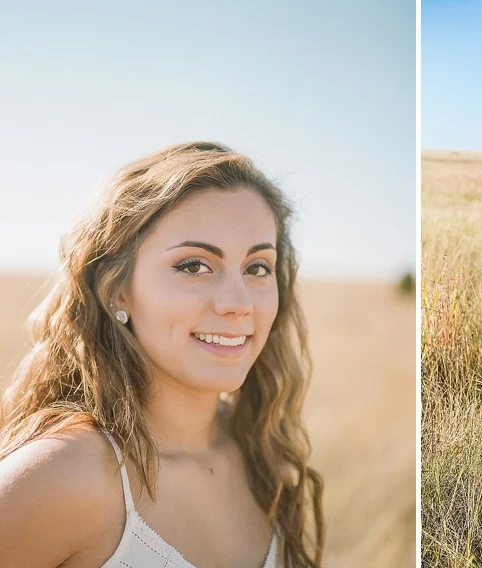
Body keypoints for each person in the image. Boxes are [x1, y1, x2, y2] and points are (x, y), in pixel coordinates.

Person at [0, 142, 324, 567]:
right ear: (117, 288)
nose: (238, 302)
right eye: (194, 265)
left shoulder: (262, 458)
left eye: (257, 267)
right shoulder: (64, 475)